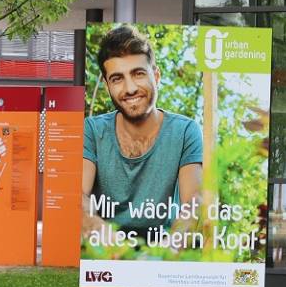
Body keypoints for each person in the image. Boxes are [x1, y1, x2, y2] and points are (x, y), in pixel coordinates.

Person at [81, 25, 202, 244]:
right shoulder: (91, 130)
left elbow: (193, 204)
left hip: (163, 253)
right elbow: (78, 196)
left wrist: (169, 249)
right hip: (106, 255)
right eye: (117, 78)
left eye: (138, 74)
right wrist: (97, 228)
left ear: (156, 76)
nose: (130, 89)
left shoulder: (185, 131)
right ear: (108, 85)